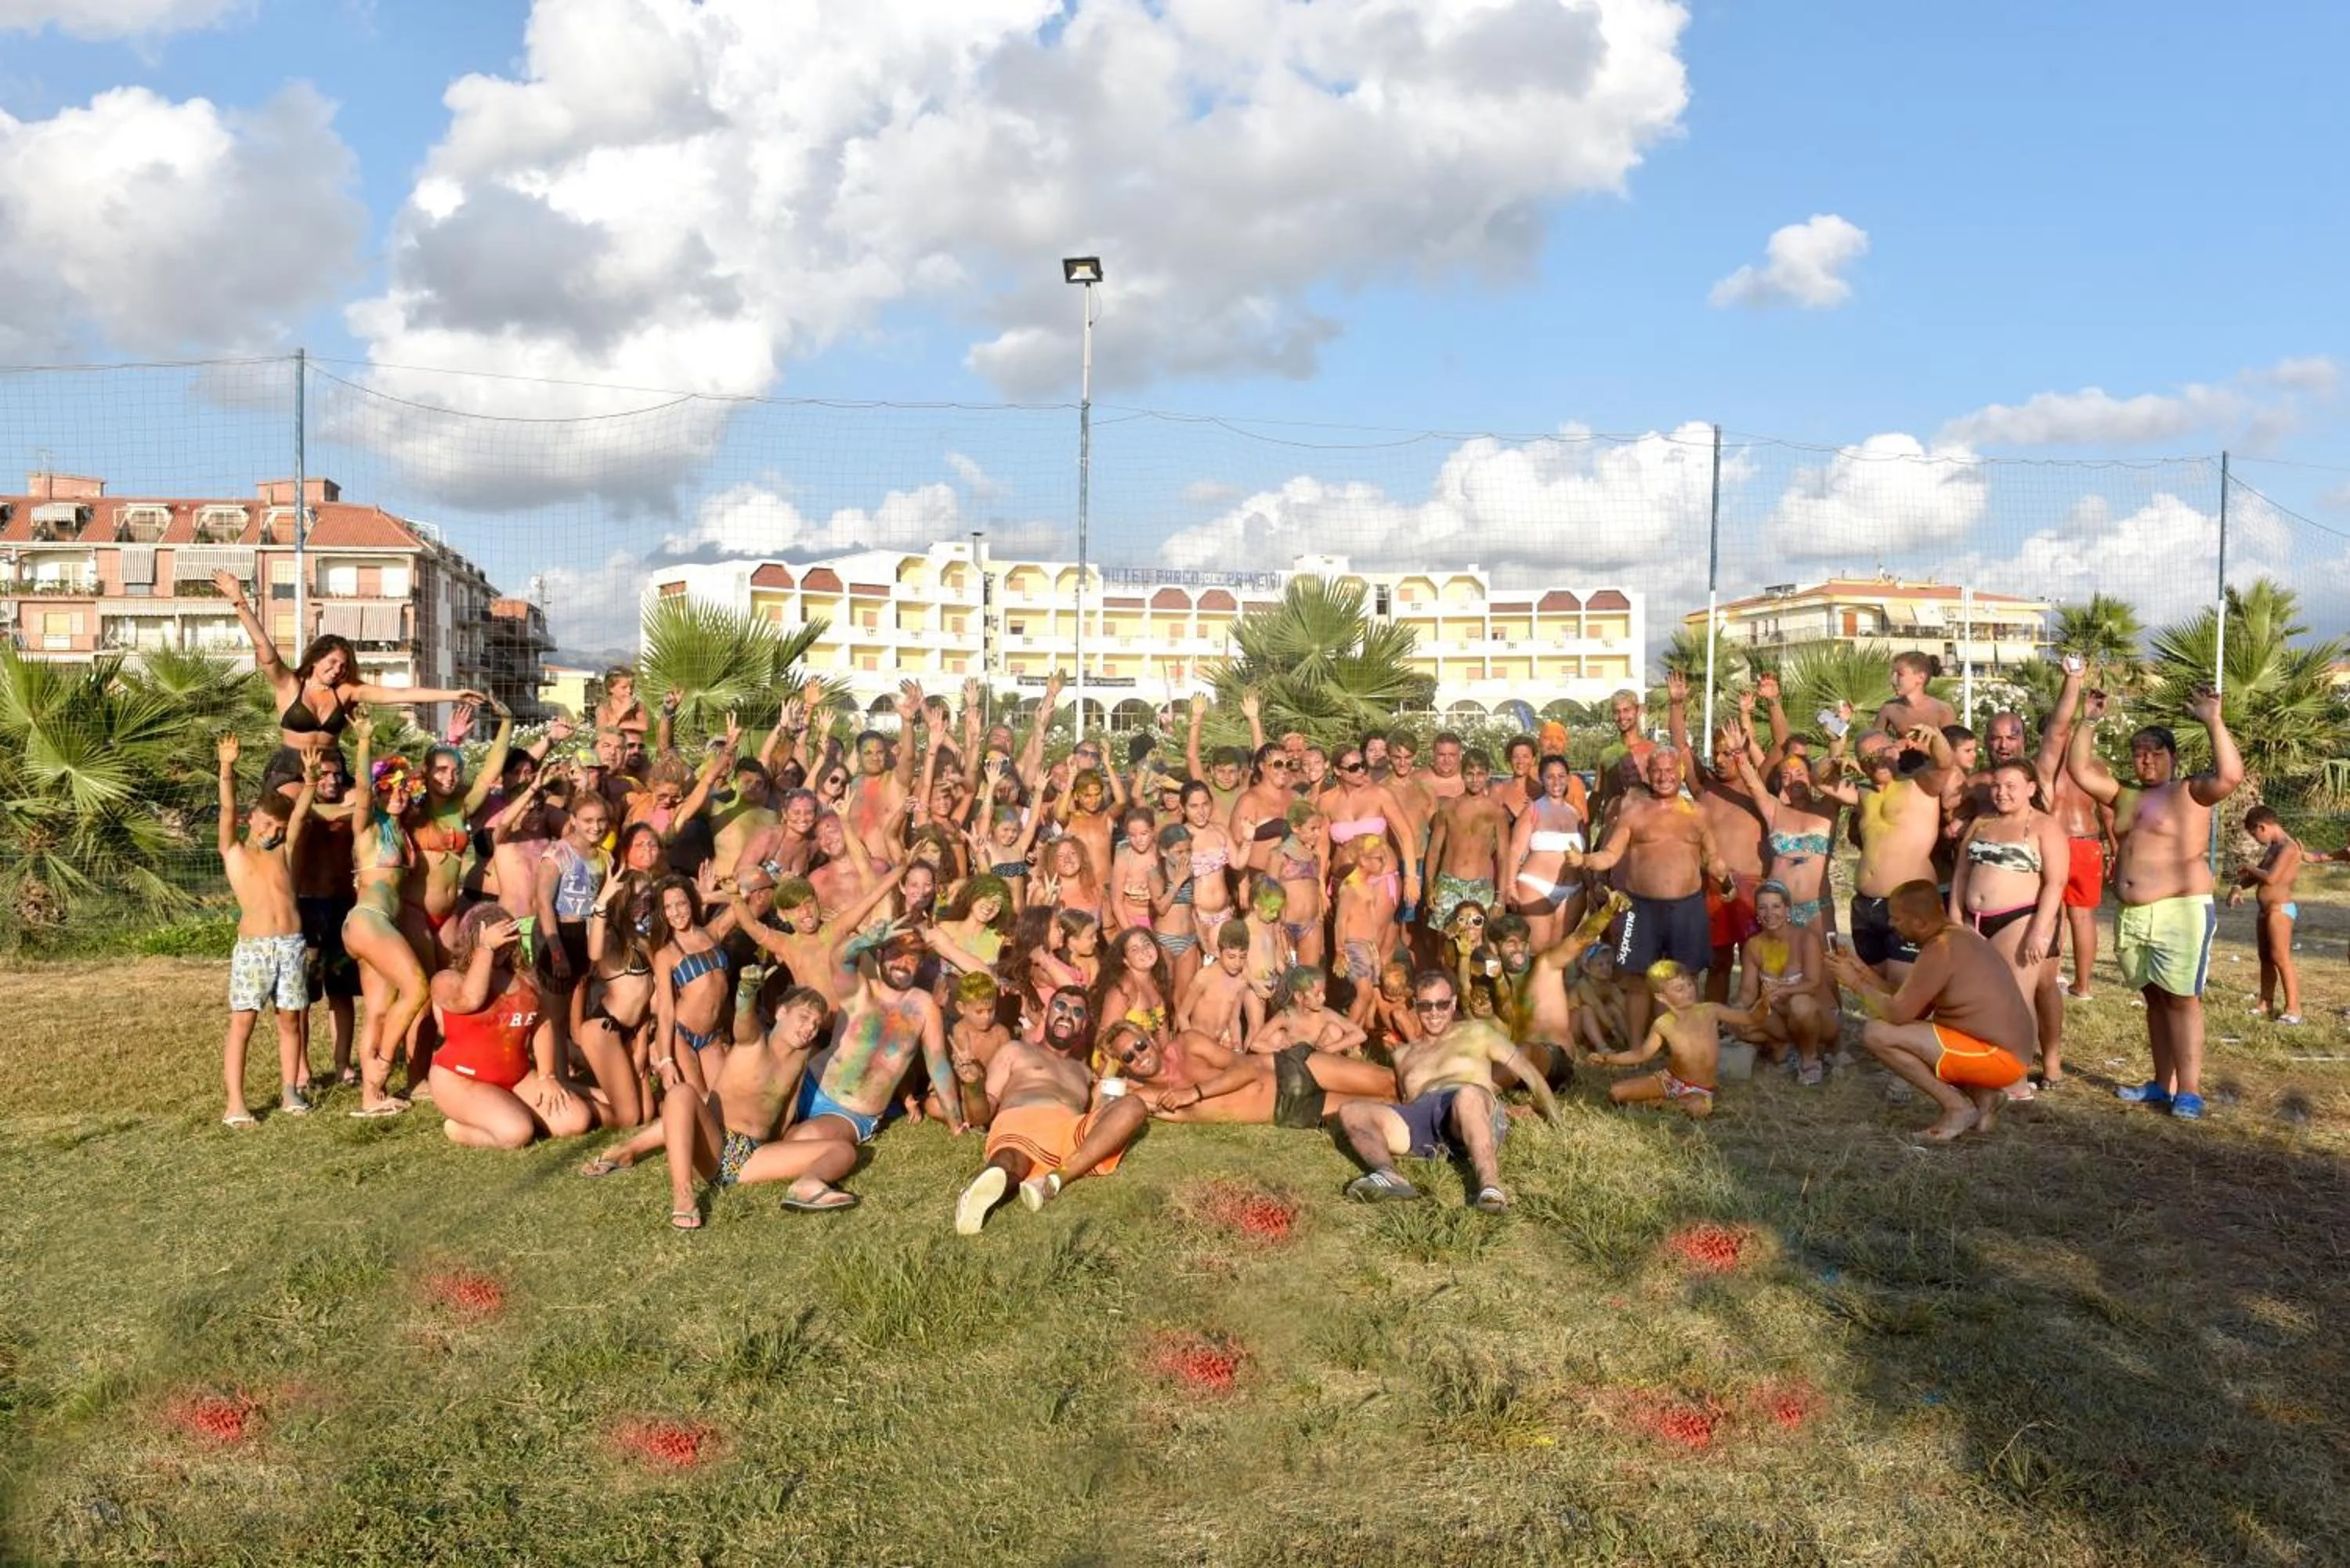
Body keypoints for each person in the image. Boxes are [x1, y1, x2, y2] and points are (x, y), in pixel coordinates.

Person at [2065, 688, 2240, 1118]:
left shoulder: (2190, 793)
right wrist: (2087, 719)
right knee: (2155, 998)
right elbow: (2078, 769)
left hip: (2180, 909)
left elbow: (2230, 776)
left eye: (2155, 753)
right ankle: (2162, 1085)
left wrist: (2214, 721)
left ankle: (2190, 1091)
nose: (2146, 760)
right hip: (2133, 914)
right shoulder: (2124, 795)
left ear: (2173, 758)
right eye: (2139, 753)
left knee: (2182, 999)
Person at [211, 569, 487, 788]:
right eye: (332, 663)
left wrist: (453, 694)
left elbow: (399, 693)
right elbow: (265, 649)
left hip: (332, 768)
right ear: (316, 658)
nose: (338, 670)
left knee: (362, 810)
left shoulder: (346, 692)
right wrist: (239, 600)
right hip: (292, 767)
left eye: (344, 666)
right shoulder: (290, 684)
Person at [1826, 880, 2036, 1141]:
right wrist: (1858, 968)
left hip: (1999, 1059)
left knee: (1876, 1033)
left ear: (1920, 923)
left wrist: (1855, 984)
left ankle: (1957, 1108)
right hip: (2005, 1056)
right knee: (1898, 1031)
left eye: (1896, 919)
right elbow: (1907, 1002)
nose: (1891, 925)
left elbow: (1898, 1014)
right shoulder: (1956, 938)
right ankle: (1984, 1098)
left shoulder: (1942, 948)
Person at [1335, 969, 1560, 1212]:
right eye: (1426, 1006)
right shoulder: (1403, 1055)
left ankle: (1490, 1187)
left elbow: (1529, 1073)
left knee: (1467, 1096)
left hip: (1469, 1108)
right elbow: (1407, 1101)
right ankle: (1388, 1175)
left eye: (1442, 1005)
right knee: (1351, 1111)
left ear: (1453, 1004)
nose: (1434, 1013)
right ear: (1416, 1007)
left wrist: (1557, 1120)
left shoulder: (1477, 1032)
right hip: (1425, 1120)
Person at [1568, 746, 1731, 1051]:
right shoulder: (1634, 812)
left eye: (1671, 771)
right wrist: (1585, 861)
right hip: (1638, 909)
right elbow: (1611, 855)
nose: (1664, 777)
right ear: (1648, 774)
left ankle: (1683, 1044)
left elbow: (1713, 858)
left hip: (1687, 907)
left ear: (1680, 773)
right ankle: (1635, 1047)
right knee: (1636, 980)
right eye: (1657, 770)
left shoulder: (1697, 813)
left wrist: (1723, 873)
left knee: (1685, 978)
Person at [955, 987, 1148, 1231]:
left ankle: (1057, 1177)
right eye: (1060, 1006)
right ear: (1046, 1013)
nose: (1067, 1014)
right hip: (1023, 1124)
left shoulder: (1084, 1071)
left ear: (1084, 1024)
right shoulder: (1016, 1050)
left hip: (1068, 1136)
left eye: (1077, 1011)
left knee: (1133, 1106)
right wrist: (973, 1086)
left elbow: (1101, 1114)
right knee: (1009, 1162)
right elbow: (981, 1116)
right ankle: (976, 1194)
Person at [656, 985, 831, 1230]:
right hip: (714, 1148)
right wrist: (746, 995)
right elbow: (743, 1023)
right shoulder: (755, 1042)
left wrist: (782, 1142)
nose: (810, 1029)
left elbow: (788, 1105)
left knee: (843, 1150)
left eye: (816, 1024)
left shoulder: (800, 1057)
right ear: (781, 1013)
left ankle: (808, 1185)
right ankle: (684, 1194)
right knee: (680, 1093)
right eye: (804, 1017)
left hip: (753, 1158)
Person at [427, 903, 594, 1150]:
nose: (503, 949)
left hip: (515, 1076)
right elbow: (470, 1000)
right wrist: (486, 949)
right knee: (517, 1132)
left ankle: (509, 1109)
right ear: (473, 938)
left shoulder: (524, 980)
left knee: (576, 1120)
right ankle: (459, 1129)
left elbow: (544, 1025)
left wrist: (547, 1076)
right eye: (498, 942)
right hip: (460, 1079)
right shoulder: (446, 980)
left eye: (508, 940)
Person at [215, 737, 317, 1127]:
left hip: (290, 945)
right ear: (251, 819)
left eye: (278, 826)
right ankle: (236, 1103)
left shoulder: (285, 851)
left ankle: (290, 1089)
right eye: (266, 824)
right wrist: (227, 769)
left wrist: (309, 783)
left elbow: (302, 816)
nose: (272, 831)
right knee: (243, 1022)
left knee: (290, 1020)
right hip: (255, 949)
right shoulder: (235, 853)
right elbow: (227, 808)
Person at [1950, 758, 2070, 1088]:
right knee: (1979, 996)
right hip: (1974, 919)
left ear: (2031, 789)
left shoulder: (2046, 827)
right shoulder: (1982, 822)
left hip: (2019, 918)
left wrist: (2039, 931)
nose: (2001, 793)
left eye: (2010, 786)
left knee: (2016, 997)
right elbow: (1962, 871)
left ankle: (2015, 1074)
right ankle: (1983, 1063)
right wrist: (1956, 916)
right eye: (1997, 786)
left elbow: (2056, 883)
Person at [342, 717, 432, 1116]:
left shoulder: (402, 831)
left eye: (402, 789)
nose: (397, 795)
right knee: (417, 988)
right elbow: (361, 793)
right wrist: (364, 743)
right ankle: (382, 1064)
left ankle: (371, 1097)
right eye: (389, 789)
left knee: (379, 1010)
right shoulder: (370, 830)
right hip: (368, 919)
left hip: (380, 923)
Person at [1817, 728, 1950, 982]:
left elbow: (1945, 764)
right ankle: (1878, 1024)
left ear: (1895, 748)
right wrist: (1833, 759)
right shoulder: (1863, 793)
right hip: (1865, 907)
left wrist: (1936, 737)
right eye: (1866, 757)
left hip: (1907, 903)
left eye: (1880, 751)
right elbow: (1820, 780)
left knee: (1903, 988)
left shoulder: (1920, 784)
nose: (1875, 759)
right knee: (1873, 983)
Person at [1117, 1014, 1397, 1129]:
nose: (1138, 1056)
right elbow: (1109, 1113)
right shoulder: (1148, 1095)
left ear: (1151, 1039)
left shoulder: (1187, 1044)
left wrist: (1194, 1093)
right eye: (1128, 1056)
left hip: (1288, 1069)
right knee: (1387, 1107)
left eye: (1140, 1045)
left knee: (1389, 1083)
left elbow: (1246, 1067)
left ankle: (1439, 1083)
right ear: (1124, 1065)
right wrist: (1103, 1087)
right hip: (1289, 1109)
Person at [1589, 959, 1768, 1119]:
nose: (1689, 991)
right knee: (1616, 1092)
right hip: (1669, 1080)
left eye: (1689, 984)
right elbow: (1641, 1054)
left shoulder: (1711, 1011)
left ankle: (1663, 1103)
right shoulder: (1662, 1024)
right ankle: (1665, 1100)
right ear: (1662, 997)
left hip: (1700, 1088)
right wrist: (1608, 1058)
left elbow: (1751, 1018)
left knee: (1698, 1110)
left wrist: (1765, 1001)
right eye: (1679, 989)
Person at [1729, 883, 1838, 1083]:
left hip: (1818, 1015)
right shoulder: (1753, 945)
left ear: (1787, 909)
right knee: (1737, 1019)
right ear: (1757, 912)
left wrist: (1782, 990)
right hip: (1781, 1016)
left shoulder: (1806, 938)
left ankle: (1809, 1059)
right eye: (1763, 907)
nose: (1770, 913)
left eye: (1776, 906)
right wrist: (1737, 1010)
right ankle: (1786, 1046)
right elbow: (1747, 992)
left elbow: (1813, 984)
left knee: (1800, 1004)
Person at [1502, 753, 1588, 951]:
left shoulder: (1576, 814)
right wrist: (1509, 885)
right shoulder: (1533, 810)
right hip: (1536, 887)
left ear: (1568, 778)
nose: (1556, 781)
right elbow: (1514, 851)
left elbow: (1585, 857)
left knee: (1561, 953)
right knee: (1538, 949)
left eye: (1561, 776)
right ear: (1542, 779)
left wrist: (1590, 888)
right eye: (1550, 777)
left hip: (1573, 890)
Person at [1423, 747, 1507, 940]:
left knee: (1479, 941)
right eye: (1470, 774)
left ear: (1488, 775)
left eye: (1480, 774)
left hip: (1481, 884)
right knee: (1445, 941)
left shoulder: (1496, 811)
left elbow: (1503, 856)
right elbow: (1435, 849)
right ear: (1462, 775)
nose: (1475, 779)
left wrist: (1500, 899)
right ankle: (1446, 971)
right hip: (1449, 882)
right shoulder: (1448, 808)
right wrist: (1429, 886)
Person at [2232, 805, 2303, 1024]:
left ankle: (2294, 1009)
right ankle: (2265, 1002)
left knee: (2281, 958)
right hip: (2265, 910)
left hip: (2280, 910)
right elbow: (2257, 876)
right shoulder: (2273, 847)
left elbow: (2271, 877)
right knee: (2265, 957)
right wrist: (2238, 887)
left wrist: (2248, 866)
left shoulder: (2288, 848)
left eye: (2254, 835)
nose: (2256, 839)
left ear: (2262, 827)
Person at [1177, 919, 1262, 1050]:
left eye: (1243, 957)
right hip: (1198, 1042)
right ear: (1218, 951)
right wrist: (1192, 1044)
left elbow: (1234, 1020)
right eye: (1231, 957)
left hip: (1222, 1043)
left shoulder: (1241, 981)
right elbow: (1182, 1015)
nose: (1237, 963)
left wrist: (1237, 1048)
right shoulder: (1204, 978)